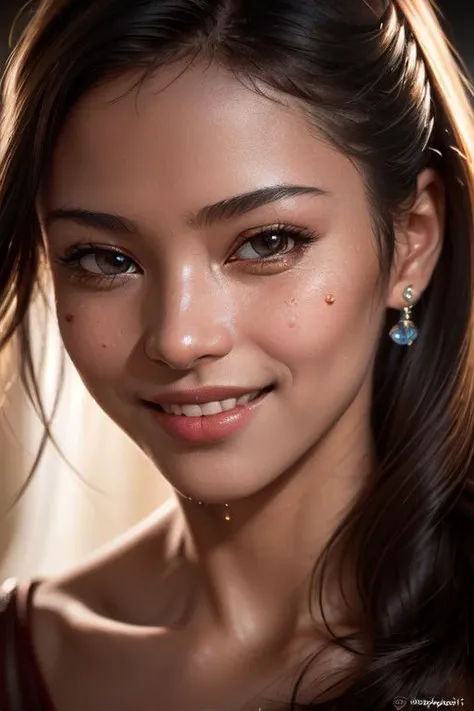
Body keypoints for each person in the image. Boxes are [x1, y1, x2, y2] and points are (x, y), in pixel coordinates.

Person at [1, 0, 474, 708]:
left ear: (412, 239)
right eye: (104, 257)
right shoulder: (21, 654)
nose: (179, 337)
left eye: (267, 242)